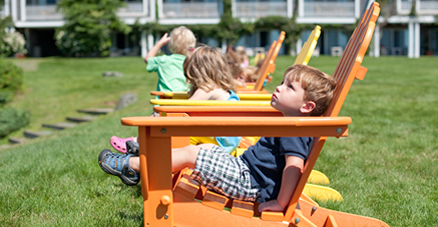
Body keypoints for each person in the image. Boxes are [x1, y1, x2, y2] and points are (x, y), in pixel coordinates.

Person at [98, 64, 336, 213]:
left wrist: (281, 204)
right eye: (282, 82)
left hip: (249, 183)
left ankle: (133, 165)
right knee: (203, 150)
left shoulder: (295, 130)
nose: (279, 87)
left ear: (307, 106)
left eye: (289, 87)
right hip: (245, 171)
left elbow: (294, 167)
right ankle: (140, 163)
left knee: (194, 153)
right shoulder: (290, 122)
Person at [111, 46, 242, 154]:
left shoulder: (208, 88)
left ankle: (139, 143)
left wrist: (162, 116)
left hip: (221, 141)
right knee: (182, 130)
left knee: (176, 131)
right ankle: (143, 147)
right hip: (228, 140)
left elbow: (183, 108)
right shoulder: (221, 88)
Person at [110, 26, 196, 153]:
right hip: (186, 109)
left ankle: (135, 142)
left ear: (171, 45)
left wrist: (160, 43)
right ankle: (137, 142)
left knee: (154, 124)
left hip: (164, 108)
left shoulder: (164, 60)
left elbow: (147, 59)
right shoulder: (192, 62)